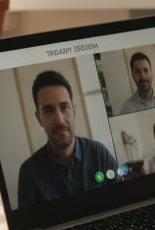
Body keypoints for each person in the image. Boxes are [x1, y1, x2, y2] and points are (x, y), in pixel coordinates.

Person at [16, 70, 119, 209]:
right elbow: (29, 225)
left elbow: (122, 202)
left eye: (64, 107)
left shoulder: (99, 154)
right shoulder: (29, 173)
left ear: (74, 111)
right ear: (39, 118)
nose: (59, 119)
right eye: (48, 110)